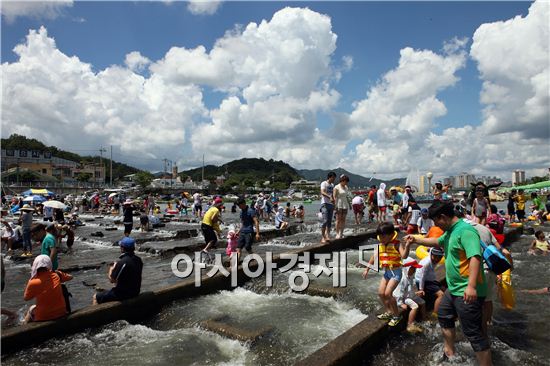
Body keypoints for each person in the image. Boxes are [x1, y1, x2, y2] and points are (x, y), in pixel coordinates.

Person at [405, 201, 491, 365]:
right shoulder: (451, 231)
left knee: (474, 333)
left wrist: (471, 286)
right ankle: (450, 353)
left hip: (466, 290)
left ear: (443, 217)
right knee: (444, 314)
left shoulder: (465, 231)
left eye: (436, 221)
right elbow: (437, 242)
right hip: (453, 289)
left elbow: (475, 257)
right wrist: (415, 239)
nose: (435, 225)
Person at [362, 222, 411, 327]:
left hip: (396, 273)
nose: (381, 238)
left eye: (383, 236)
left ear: (391, 234)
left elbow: (404, 256)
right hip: (387, 273)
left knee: (388, 294)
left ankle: (397, 316)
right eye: (380, 236)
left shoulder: (397, 244)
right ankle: (389, 312)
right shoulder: (381, 245)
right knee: (380, 293)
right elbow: (373, 257)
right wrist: (367, 269)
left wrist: (407, 246)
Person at [93, 237, 143, 304]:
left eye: (120, 246)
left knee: (96, 297)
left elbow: (112, 280)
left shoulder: (123, 262)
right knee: (115, 286)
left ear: (122, 248)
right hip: (136, 291)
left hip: (125, 294)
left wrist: (111, 269)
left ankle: (97, 314)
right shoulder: (138, 259)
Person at [24, 255, 73, 322]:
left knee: (31, 308)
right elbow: (70, 277)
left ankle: (24, 326)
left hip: (43, 316)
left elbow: (26, 298)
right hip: (61, 312)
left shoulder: (32, 282)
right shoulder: (56, 275)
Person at [393, 257, 424, 333]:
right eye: (413, 268)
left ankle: (424, 318)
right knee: (415, 306)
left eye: (415, 269)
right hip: (402, 298)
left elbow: (410, 288)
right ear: (407, 268)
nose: (414, 270)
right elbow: (398, 293)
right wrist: (400, 303)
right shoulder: (402, 278)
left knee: (423, 302)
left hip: (408, 295)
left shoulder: (410, 276)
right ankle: (410, 325)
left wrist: (416, 293)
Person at [415, 247, 445, 314]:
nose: (437, 259)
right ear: (431, 255)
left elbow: (432, 248)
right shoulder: (426, 263)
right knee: (441, 294)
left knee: (444, 288)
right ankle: (435, 314)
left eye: (439, 258)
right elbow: (421, 277)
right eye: (436, 257)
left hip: (430, 279)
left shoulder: (433, 258)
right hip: (422, 281)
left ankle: (444, 307)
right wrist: (421, 289)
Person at [320, 172, 336, 243]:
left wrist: (334, 203)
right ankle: (323, 237)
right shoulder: (324, 183)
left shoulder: (332, 185)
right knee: (325, 221)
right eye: (333, 178)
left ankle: (327, 236)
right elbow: (322, 192)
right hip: (324, 204)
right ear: (329, 177)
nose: (334, 179)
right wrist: (329, 197)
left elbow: (332, 194)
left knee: (329, 222)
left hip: (331, 204)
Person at [333, 175, 351, 239]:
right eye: (345, 182)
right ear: (342, 181)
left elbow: (347, 196)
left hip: (345, 205)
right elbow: (334, 197)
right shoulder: (336, 187)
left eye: (347, 182)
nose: (346, 183)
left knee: (343, 219)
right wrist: (335, 206)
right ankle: (337, 233)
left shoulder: (346, 187)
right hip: (339, 204)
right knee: (338, 220)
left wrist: (349, 205)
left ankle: (341, 233)